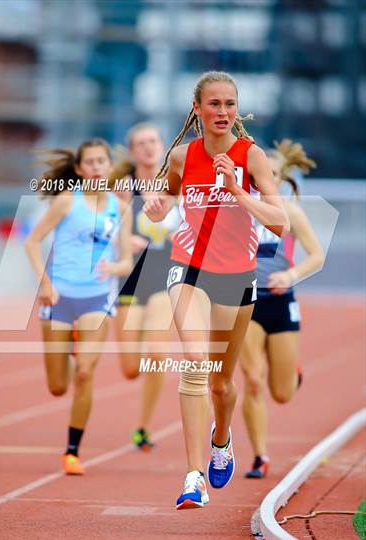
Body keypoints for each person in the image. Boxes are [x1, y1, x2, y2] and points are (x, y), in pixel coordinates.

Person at [143, 70, 289, 509]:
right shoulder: (183, 157)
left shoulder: (252, 156)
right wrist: (156, 207)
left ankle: (221, 439)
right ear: (197, 109)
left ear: (236, 109)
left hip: (236, 276)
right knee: (195, 363)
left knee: (223, 385)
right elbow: (165, 198)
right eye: (214, 104)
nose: (222, 112)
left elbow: (279, 222)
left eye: (229, 104)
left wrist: (236, 190)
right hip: (188, 268)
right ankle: (192, 476)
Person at [25, 139, 132, 474]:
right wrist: (45, 285)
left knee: (86, 373)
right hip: (59, 298)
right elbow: (31, 241)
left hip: (97, 299)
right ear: (79, 169)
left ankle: (72, 451)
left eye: (103, 161)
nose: (98, 167)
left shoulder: (120, 207)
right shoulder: (67, 202)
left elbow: (127, 260)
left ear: (109, 167)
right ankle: (72, 349)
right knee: (58, 387)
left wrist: (114, 268)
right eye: (92, 162)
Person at [239, 139, 324, 479]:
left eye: (269, 174)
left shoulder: (290, 211)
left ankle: (292, 373)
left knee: (281, 392)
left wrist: (290, 274)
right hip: (247, 301)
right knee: (253, 381)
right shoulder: (239, 207)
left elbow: (316, 255)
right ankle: (260, 456)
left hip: (281, 303)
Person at [110, 124, 180, 450]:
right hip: (130, 280)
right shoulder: (125, 188)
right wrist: (125, 237)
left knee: (156, 353)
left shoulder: (176, 186)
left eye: (153, 141)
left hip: (164, 280)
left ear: (163, 145)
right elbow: (106, 227)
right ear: (133, 151)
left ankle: (143, 426)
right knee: (129, 369)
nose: (148, 147)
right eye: (141, 143)